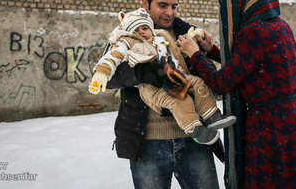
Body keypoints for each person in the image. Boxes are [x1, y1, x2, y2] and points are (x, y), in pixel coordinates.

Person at [176, 0, 296, 189]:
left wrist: (195, 54)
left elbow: (222, 82)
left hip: (269, 128)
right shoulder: (279, 25)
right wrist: (211, 50)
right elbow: (246, 65)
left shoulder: (254, 32)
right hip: (291, 121)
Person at [102, 0, 224, 189]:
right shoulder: (126, 32)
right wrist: (145, 72)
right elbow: (107, 76)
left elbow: (211, 83)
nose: (170, 12)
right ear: (145, 3)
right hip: (147, 141)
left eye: (174, 6)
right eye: (162, 5)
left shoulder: (187, 34)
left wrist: (201, 53)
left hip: (194, 138)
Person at [89, 8, 236, 145]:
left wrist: (192, 39)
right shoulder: (127, 42)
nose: (141, 32)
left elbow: (177, 52)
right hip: (152, 88)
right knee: (179, 100)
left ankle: (212, 116)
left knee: (197, 83)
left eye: (145, 28)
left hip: (175, 76)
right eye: (136, 30)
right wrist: (101, 72)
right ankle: (195, 129)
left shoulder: (160, 39)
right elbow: (112, 57)